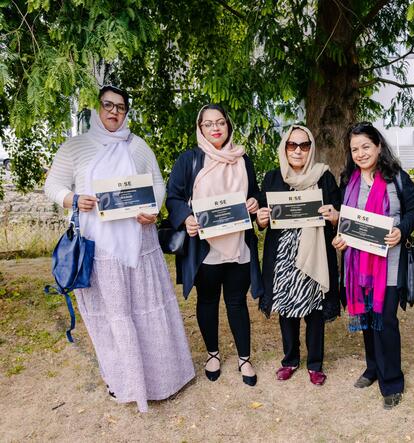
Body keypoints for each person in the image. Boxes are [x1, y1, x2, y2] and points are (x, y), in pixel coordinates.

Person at [44, 85, 195, 412]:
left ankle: (163, 379)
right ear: (97, 109)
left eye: (121, 107)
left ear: (127, 112)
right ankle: (125, 381)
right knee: (115, 316)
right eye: (108, 105)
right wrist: (73, 199)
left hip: (139, 244)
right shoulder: (77, 147)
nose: (114, 112)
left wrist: (153, 210)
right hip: (99, 249)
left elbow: (156, 183)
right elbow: (52, 185)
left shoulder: (138, 146)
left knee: (148, 310)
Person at [166, 104, 263, 387]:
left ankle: (244, 358)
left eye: (220, 122)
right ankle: (212, 354)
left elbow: (254, 192)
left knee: (236, 302)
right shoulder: (190, 160)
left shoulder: (243, 160)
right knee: (207, 301)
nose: (215, 128)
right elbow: (173, 197)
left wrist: (256, 202)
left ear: (228, 125)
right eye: (208, 124)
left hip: (238, 245)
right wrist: (186, 218)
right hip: (205, 249)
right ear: (200, 128)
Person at [332, 122, 414, 409]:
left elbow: (413, 212)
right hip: (357, 264)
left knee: (386, 321)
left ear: (379, 146)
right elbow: (345, 220)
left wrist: (402, 230)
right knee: (368, 320)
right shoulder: (348, 180)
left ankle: (392, 380)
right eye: (354, 149)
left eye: (365, 146)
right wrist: (340, 240)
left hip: (389, 264)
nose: (360, 153)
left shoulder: (397, 178)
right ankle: (372, 368)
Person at [256, 125, 341, 386]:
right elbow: (262, 219)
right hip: (282, 255)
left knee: (314, 310)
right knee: (287, 309)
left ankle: (315, 364)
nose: (297, 150)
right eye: (292, 145)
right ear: (284, 148)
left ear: (311, 149)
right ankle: (290, 359)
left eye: (304, 146)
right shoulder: (272, 178)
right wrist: (260, 218)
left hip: (315, 254)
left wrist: (334, 216)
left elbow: (338, 215)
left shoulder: (324, 177)